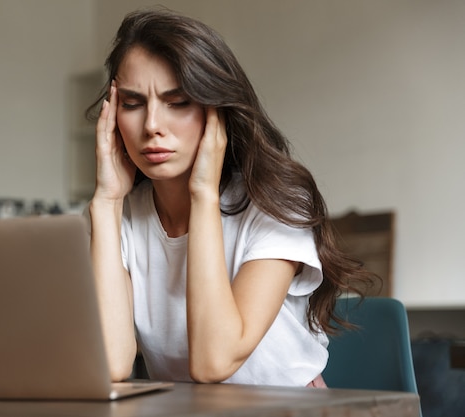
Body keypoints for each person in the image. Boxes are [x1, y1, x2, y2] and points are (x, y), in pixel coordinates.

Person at [87, 7, 376, 387]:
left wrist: (203, 195)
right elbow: (109, 364)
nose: (152, 126)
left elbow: (213, 361)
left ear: (216, 110)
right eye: (133, 103)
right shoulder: (120, 216)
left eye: (178, 102)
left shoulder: (277, 204)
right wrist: (106, 202)